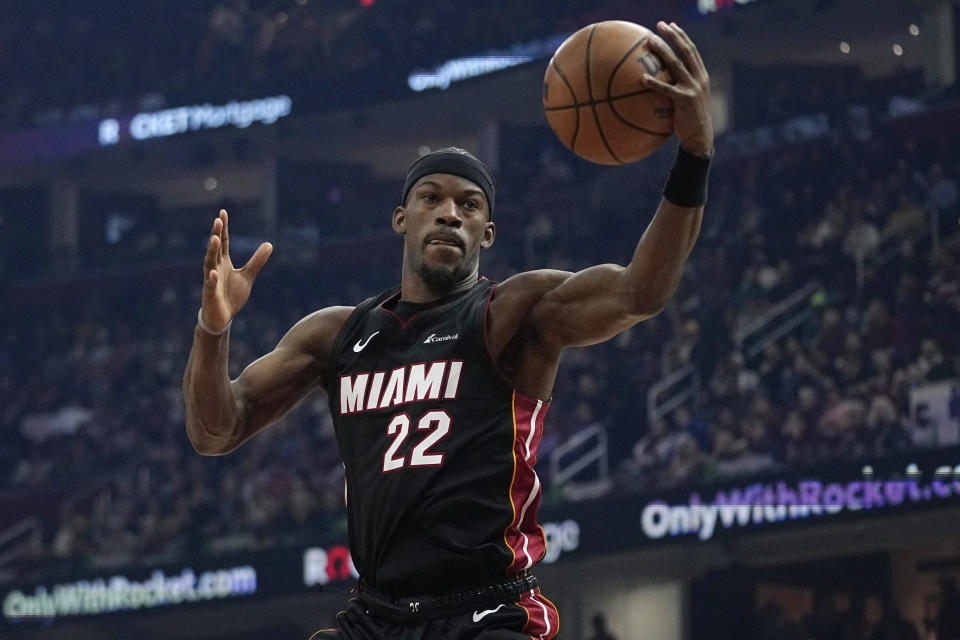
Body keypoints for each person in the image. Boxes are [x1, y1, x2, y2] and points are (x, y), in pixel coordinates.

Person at [183, 20, 713, 640]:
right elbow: (214, 430)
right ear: (402, 218)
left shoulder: (514, 312)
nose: (449, 213)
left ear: (486, 234)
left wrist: (694, 155)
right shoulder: (336, 335)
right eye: (432, 197)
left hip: (486, 608)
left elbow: (639, 291)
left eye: (469, 205)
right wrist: (212, 328)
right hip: (377, 617)